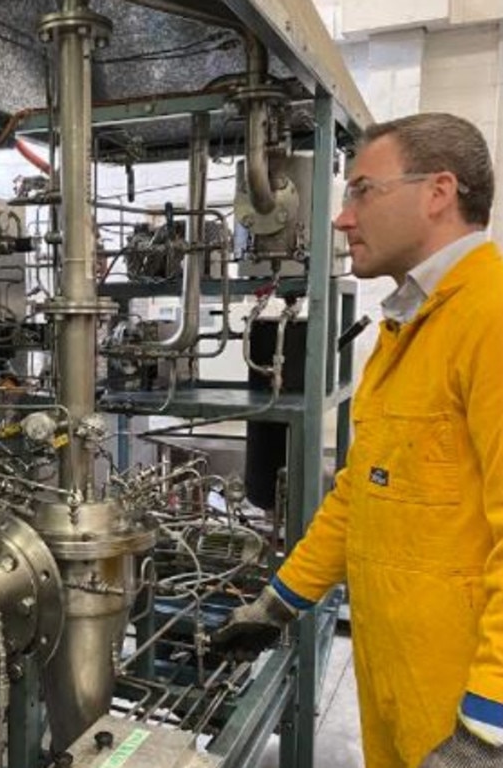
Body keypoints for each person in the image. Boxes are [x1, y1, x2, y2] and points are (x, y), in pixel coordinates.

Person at [212, 113, 503, 768]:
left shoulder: (491, 317)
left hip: (459, 714)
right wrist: (278, 602)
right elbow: (359, 497)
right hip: (397, 687)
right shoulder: (408, 327)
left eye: (362, 191)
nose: (342, 219)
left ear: (439, 192)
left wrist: (488, 728)